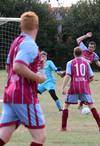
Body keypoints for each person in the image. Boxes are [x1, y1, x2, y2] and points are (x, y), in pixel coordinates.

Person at [0, 11, 46, 146]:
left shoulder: (16, 42)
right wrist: (37, 77)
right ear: (37, 26)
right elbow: (18, 66)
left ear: (21, 26)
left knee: (4, 136)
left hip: (11, 94)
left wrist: (35, 66)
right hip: (24, 96)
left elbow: (10, 67)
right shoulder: (29, 44)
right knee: (39, 137)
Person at [61, 47, 100, 132]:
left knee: (66, 106)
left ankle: (63, 127)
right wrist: (85, 82)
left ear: (74, 54)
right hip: (84, 88)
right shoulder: (86, 62)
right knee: (91, 106)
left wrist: (63, 87)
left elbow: (68, 75)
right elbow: (92, 77)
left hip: (73, 87)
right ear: (82, 54)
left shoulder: (70, 63)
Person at [76, 32, 100, 109]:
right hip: (79, 72)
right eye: (89, 47)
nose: (90, 48)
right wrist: (86, 36)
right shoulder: (83, 49)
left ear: (94, 48)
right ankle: (83, 101)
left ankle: (82, 103)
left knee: (87, 85)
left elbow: (97, 62)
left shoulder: (94, 55)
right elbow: (78, 39)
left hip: (86, 73)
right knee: (84, 88)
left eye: (92, 47)